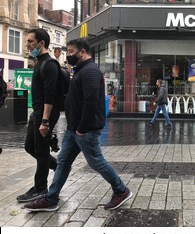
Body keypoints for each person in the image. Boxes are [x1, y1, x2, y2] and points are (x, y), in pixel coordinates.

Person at [24, 38, 132, 212]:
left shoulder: (89, 71)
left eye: (71, 52)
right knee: (63, 162)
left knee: (96, 162)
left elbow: (90, 103)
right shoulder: (81, 70)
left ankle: (121, 190)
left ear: (82, 52)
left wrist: (82, 128)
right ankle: (51, 198)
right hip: (73, 129)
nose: (69, 55)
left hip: (84, 130)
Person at [17, 28, 61, 203]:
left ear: (41, 43)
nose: (27, 44)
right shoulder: (39, 62)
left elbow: (50, 95)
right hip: (37, 113)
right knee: (30, 147)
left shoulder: (49, 64)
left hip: (45, 114)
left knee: (41, 151)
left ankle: (41, 188)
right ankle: (59, 167)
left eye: (30, 41)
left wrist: (44, 120)